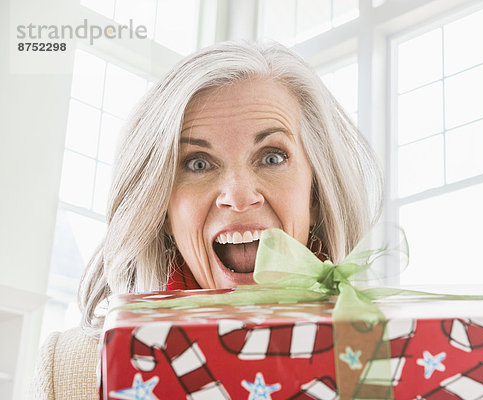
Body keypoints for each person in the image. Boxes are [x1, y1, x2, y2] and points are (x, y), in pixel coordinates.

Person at [31, 40, 382, 399]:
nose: (239, 196)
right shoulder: (73, 370)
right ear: (161, 207)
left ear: (316, 195)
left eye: (272, 157)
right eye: (198, 163)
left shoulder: (387, 358)